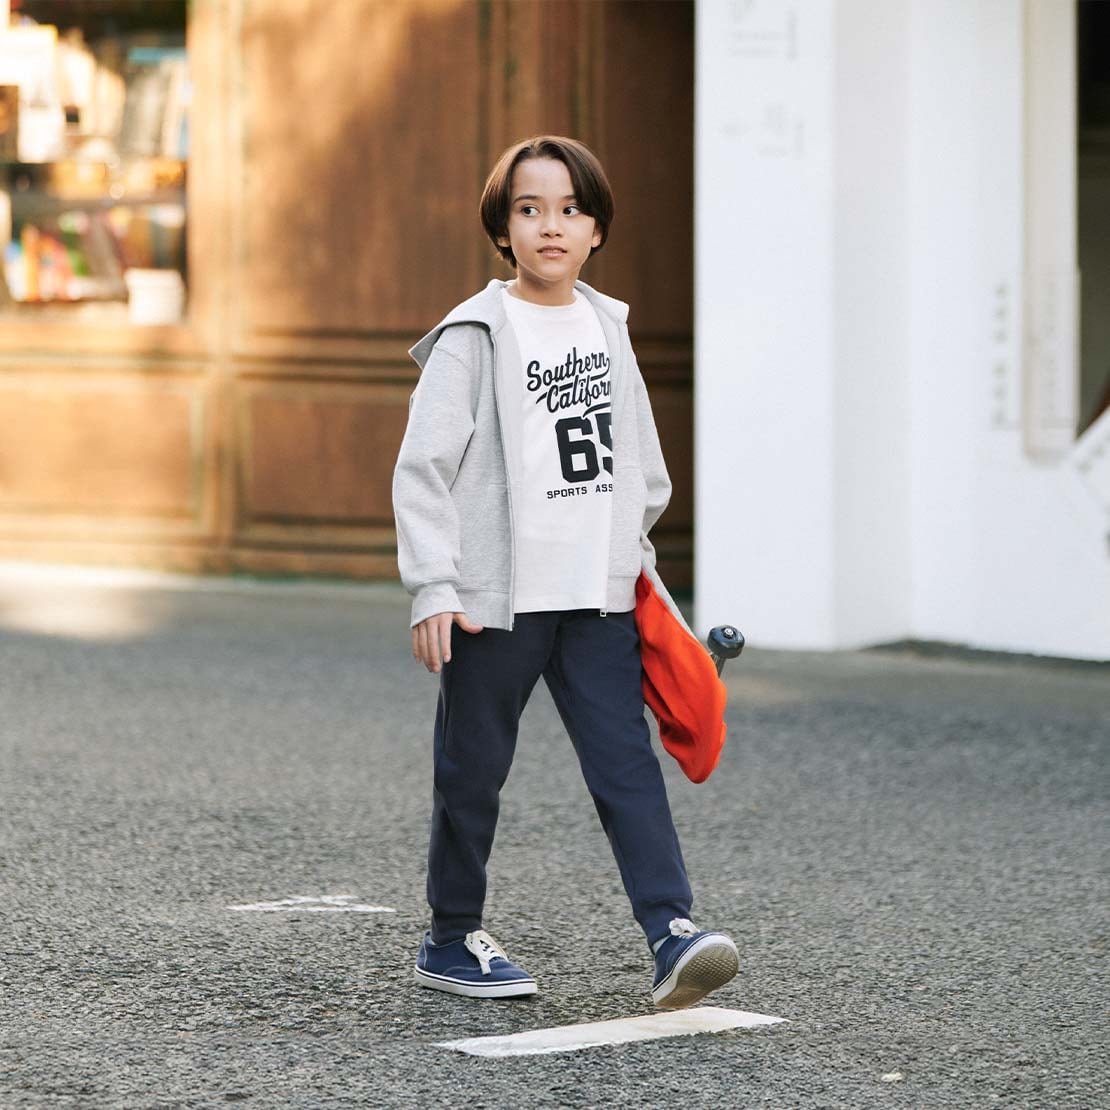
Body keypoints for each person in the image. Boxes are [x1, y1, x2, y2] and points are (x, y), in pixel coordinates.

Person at [392, 135, 738, 1009]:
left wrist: (634, 566)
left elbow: (644, 469)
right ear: (503, 230)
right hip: (494, 604)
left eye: (571, 209)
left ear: (596, 231)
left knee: (626, 768)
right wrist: (437, 585)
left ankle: (671, 932)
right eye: (530, 208)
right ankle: (450, 936)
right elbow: (423, 470)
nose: (552, 225)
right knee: (472, 772)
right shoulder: (474, 335)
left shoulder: (606, 327)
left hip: (596, 598)